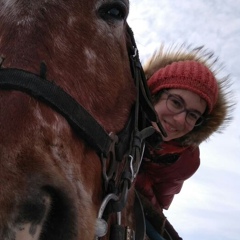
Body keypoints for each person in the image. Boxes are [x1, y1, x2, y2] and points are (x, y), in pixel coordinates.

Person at [135, 45, 233, 240]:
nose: (180, 119)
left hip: (142, 205)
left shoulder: (184, 159)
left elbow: (162, 199)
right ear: (154, 95)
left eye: (192, 115)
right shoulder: (115, 114)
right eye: (176, 103)